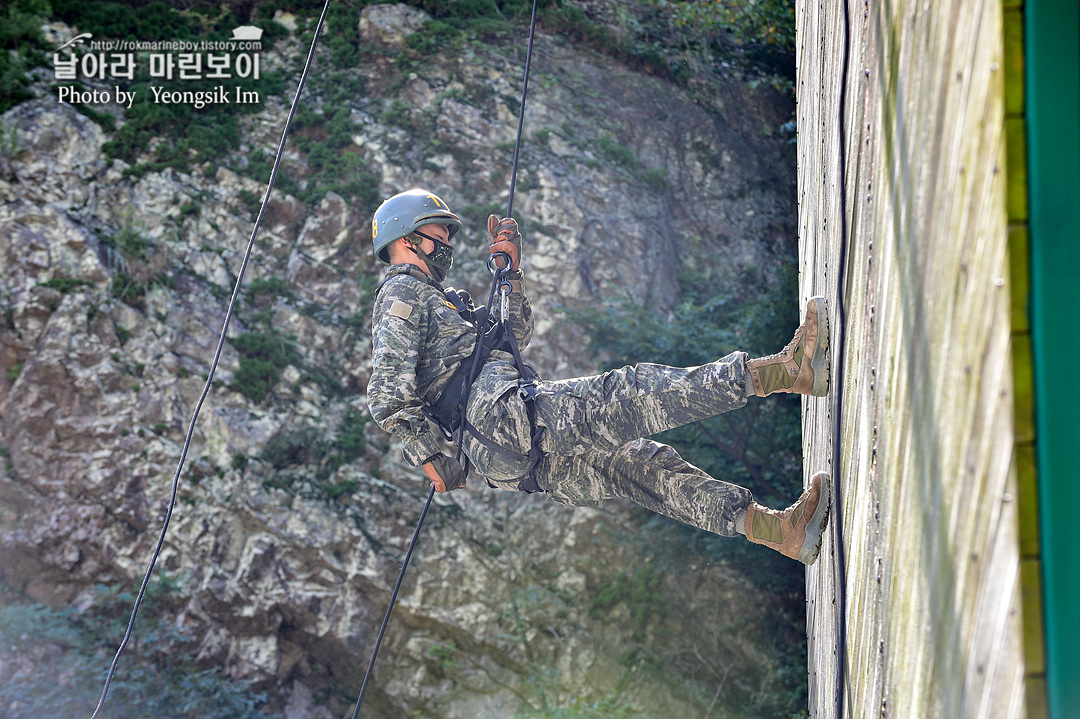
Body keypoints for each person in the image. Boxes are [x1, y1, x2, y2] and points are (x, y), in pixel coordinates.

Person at [367, 189, 832, 565]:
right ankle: (788, 372)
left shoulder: (441, 300)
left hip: (504, 451)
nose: (448, 239)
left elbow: (515, 335)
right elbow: (387, 395)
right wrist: (429, 455)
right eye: (440, 231)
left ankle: (783, 533)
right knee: (630, 392)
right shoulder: (402, 292)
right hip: (501, 418)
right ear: (408, 238)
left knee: (643, 467)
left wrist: (509, 273)